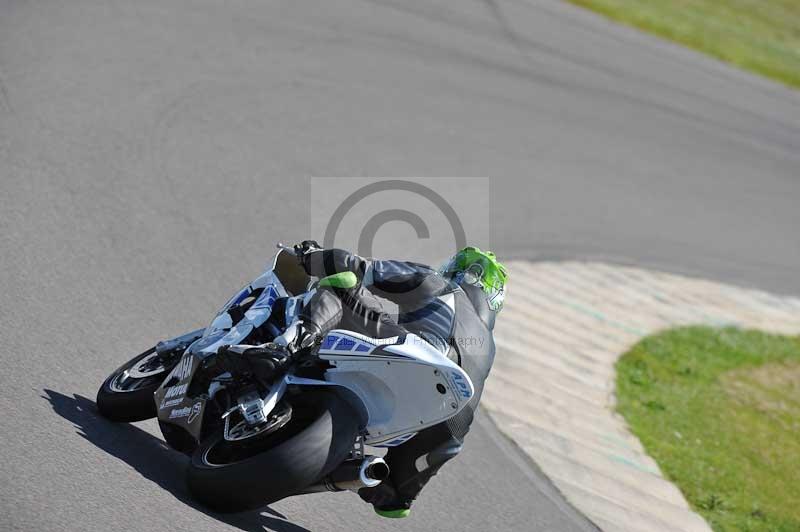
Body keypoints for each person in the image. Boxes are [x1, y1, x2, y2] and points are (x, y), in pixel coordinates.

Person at [225, 241, 507, 518]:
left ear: (461, 273)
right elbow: (453, 436)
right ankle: (353, 472)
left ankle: (285, 347)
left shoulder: (438, 283)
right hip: (449, 414)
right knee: (391, 492)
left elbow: (358, 267)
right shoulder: (488, 349)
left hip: (415, 355)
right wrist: (400, 492)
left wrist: (310, 257)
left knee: (342, 282)